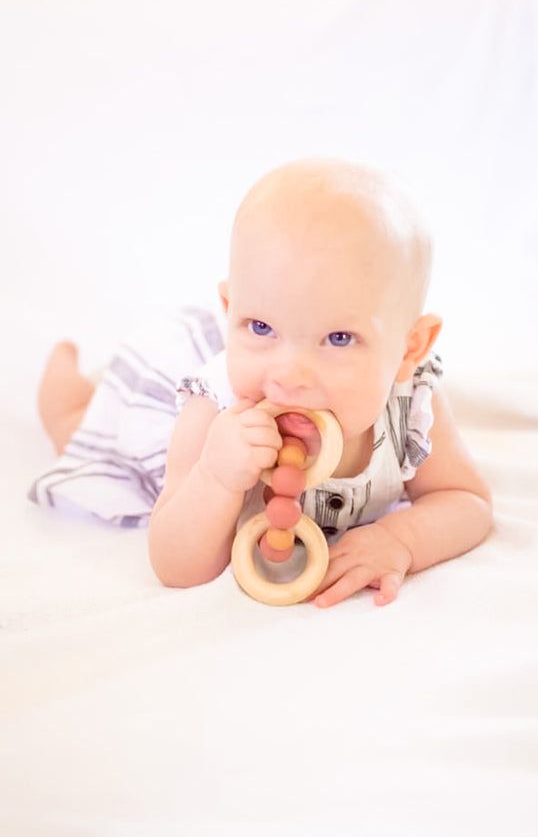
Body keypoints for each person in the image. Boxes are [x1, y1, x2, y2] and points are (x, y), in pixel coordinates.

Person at [34, 158, 492, 608]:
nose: (289, 375)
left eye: (338, 338)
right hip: (161, 411)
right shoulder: (213, 410)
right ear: (230, 310)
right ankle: (65, 390)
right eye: (260, 326)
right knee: (89, 431)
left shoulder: (410, 402)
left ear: (410, 348)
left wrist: (401, 539)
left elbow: (465, 500)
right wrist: (216, 478)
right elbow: (177, 568)